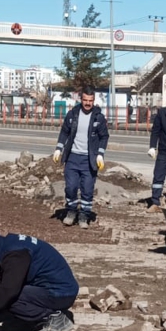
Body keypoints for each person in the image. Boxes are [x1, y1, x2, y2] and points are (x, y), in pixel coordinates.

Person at [53, 87, 109, 228]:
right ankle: (71, 211)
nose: (87, 103)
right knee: (71, 187)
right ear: (81, 99)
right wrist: (59, 148)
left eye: (90, 100)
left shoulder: (98, 118)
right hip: (72, 157)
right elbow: (64, 132)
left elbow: (104, 137)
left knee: (87, 189)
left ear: (93, 100)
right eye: (85, 100)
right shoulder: (73, 114)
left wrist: (100, 154)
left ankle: (84, 214)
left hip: (89, 160)